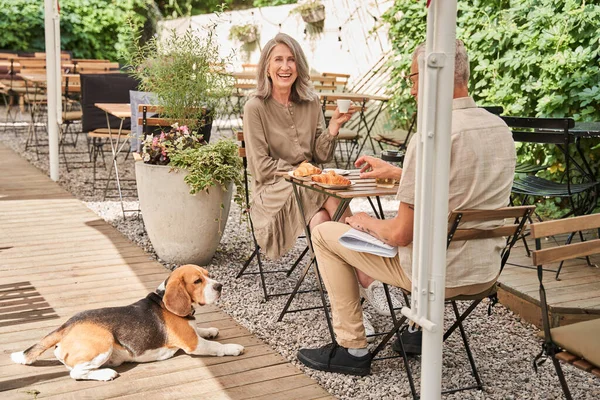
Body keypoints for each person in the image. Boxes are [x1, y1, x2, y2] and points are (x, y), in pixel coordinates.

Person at [296, 39, 516, 376]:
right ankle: (415, 334)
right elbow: (460, 190)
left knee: (326, 232)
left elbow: (400, 234)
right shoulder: (499, 129)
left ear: (432, 75)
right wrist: (401, 174)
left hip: (433, 275)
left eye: (412, 78)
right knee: (415, 231)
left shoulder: (431, 136)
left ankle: (352, 347)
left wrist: (367, 222)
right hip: (483, 271)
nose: (413, 90)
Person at [243, 33, 402, 331]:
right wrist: (306, 173)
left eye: (291, 59)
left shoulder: (311, 102)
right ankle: (371, 279)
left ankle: (350, 310)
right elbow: (262, 169)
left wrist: (333, 128)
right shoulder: (255, 107)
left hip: (310, 192)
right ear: (266, 66)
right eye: (278, 59)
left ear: (299, 66)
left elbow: (321, 154)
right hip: (274, 193)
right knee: (329, 194)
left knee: (321, 222)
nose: (285, 66)